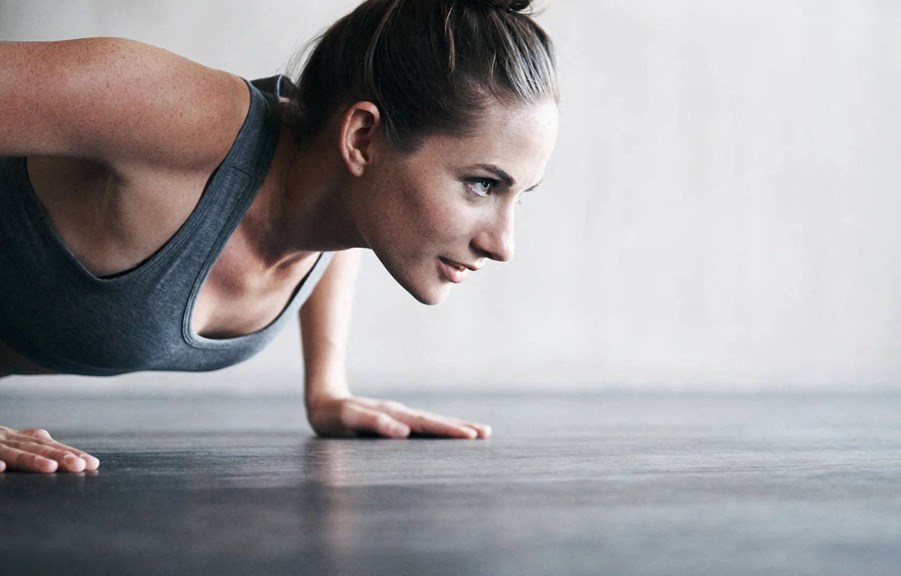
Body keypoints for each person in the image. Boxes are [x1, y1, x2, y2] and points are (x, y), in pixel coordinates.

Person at [0, 0, 559, 474]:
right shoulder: (182, 119)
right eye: (482, 184)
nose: (502, 244)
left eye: (519, 195)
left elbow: (342, 222)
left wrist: (327, 389)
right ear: (362, 137)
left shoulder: (335, 201)